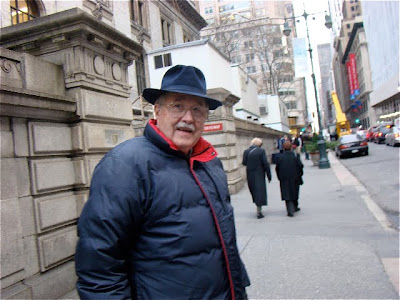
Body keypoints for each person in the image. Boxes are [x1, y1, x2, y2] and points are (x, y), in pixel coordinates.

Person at [75, 65, 250, 299]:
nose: (188, 118)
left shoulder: (210, 164)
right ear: (157, 110)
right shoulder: (125, 165)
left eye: (198, 110)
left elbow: (226, 249)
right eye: (177, 106)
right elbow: (99, 267)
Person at [242, 138, 272, 219]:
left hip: (250, 174)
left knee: (254, 190)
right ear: (259, 144)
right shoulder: (261, 151)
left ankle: (258, 206)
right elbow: (265, 163)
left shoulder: (246, 151)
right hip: (259, 174)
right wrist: (269, 175)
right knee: (260, 191)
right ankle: (259, 210)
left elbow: (244, 163)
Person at [275, 141, 304, 217]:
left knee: (286, 193)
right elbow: (300, 166)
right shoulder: (295, 156)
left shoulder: (280, 157)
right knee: (294, 191)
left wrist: (279, 177)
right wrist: (300, 174)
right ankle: (295, 206)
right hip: (294, 177)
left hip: (284, 178)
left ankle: (290, 210)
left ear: (283, 148)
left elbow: (277, 168)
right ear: (291, 147)